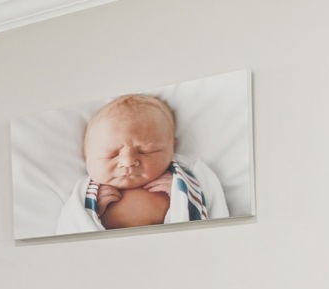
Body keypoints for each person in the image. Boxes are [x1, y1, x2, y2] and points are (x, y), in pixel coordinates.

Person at [55, 93, 228, 232]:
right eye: (111, 154)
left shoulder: (189, 175)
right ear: (87, 155)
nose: (128, 161)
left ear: (171, 148)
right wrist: (92, 209)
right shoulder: (84, 194)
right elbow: (69, 226)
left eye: (146, 151)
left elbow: (215, 209)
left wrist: (183, 192)